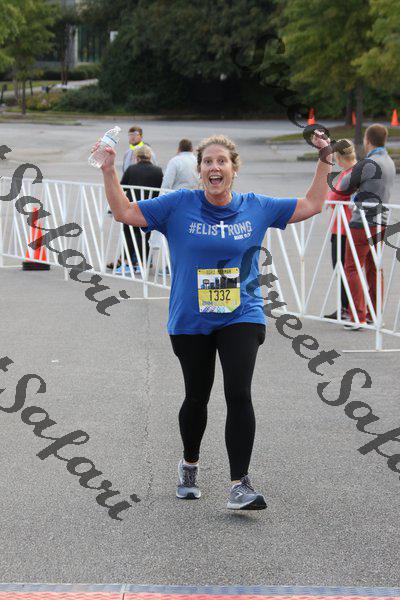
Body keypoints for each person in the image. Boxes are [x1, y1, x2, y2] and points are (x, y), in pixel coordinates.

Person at [95, 131, 331, 510]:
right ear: (200, 170)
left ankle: (240, 484)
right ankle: (189, 464)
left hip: (242, 313)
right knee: (196, 397)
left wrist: (325, 159)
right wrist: (109, 170)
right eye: (208, 162)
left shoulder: (256, 207)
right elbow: (124, 213)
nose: (214, 167)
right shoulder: (178, 205)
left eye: (222, 161)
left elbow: (313, 204)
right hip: (191, 319)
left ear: (234, 169)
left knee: (238, 393)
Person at [343, 124, 396, 331]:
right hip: (381, 221)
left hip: (362, 221)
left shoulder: (368, 163)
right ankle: (374, 313)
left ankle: (358, 316)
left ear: (368, 140)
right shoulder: (389, 162)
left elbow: (345, 185)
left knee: (352, 266)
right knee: (374, 267)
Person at [108, 144, 163, 271]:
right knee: (146, 235)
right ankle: (144, 261)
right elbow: (160, 189)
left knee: (129, 234)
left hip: (133, 206)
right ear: (149, 156)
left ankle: (127, 261)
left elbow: (122, 187)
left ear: (137, 157)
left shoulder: (131, 169)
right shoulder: (158, 171)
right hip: (151, 207)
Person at [324, 139, 356, 321]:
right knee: (344, 269)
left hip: (343, 228)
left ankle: (346, 306)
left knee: (342, 268)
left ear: (338, 157)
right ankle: (346, 305)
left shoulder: (349, 175)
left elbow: (333, 197)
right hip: (343, 226)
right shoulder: (351, 172)